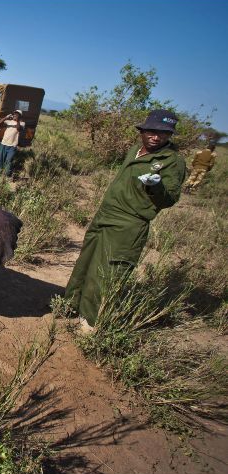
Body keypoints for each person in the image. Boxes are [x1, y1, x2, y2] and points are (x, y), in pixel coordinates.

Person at [64, 109, 186, 332]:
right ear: (143, 130)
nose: (156, 137)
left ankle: (90, 322)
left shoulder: (172, 161)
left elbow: (170, 198)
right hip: (105, 214)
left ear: (169, 135)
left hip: (129, 223)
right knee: (86, 262)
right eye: (152, 131)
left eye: (163, 133)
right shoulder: (135, 150)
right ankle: (69, 305)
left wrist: (156, 186)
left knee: (109, 271)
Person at [0, 109, 25, 177]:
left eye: (17, 114)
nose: (15, 115)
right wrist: (6, 117)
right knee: (0, 159)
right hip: (3, 143)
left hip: (12, 145)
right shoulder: (9, 121)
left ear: (20, 116)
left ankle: (5, 175)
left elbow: (18, 128)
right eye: (14, 114)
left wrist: (17, 120)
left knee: (9, 160)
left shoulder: (22, 123)